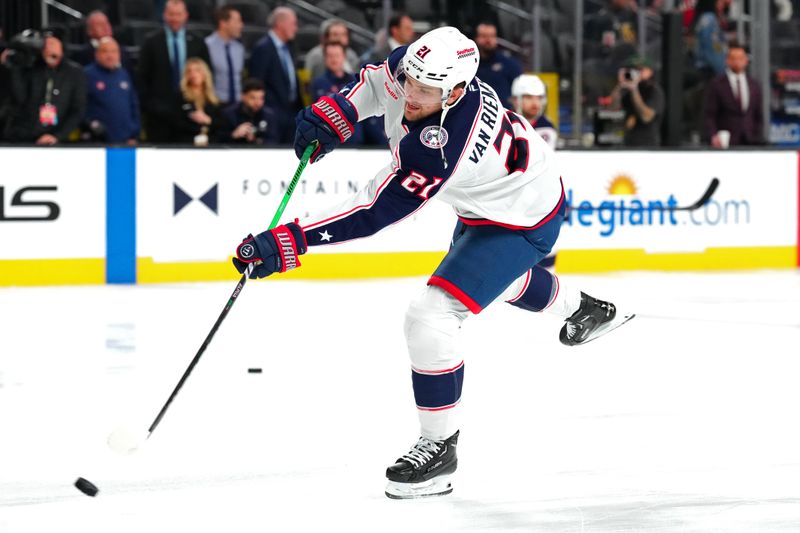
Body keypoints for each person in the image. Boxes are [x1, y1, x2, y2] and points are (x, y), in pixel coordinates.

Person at [230, 27, 633, 499]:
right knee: (492, 280)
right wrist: (340, 110)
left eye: (426, 90)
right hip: (498, 196)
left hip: (523, 215)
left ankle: (440, 449)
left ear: (457, 91)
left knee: (431, 316)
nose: (412, 93)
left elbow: (372, 211)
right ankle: (585, 309)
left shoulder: (439, 148)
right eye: (411, 79)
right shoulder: (426, 67)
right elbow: (381, 81)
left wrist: (290, 240)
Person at [137, 0, 211, 142]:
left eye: (178, 14)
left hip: (191, 115)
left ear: (186, 16)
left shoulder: (198, 41)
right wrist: (152, 107)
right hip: (159, 116)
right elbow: (142, 78)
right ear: (164, 15)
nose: (175, 18)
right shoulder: (151, 41)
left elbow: (207, 75)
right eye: (171, 14)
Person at [3, 33, 86, 144]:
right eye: (45, 44)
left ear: (61, 47)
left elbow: (78, 110)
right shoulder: (30, 67)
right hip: (22, 137)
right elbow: (19, 99)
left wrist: (57, 136)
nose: (48, 47)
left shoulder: (74, 73)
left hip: (55, 139)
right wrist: (14, 67)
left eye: (52, 43)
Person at [249, 6, 300, 144]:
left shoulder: (289, 47)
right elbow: (257, 82)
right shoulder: (263, 48)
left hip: (291, 112)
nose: (296, 28)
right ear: (280, 23)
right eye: (293, 23)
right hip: (272, 113)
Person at [704, 42, 764, 147]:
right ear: (727, 61)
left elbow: (758, 114)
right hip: (726, 142)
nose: (737, 61)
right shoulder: (717, 85)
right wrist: (713, 135)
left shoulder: (754, 85)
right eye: (733, 58)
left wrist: (756, 134)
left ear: (746, 60)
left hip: (750, 141)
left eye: (740, 58)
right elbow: (710, 114)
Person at [83, 37, 140, 144]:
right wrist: (91, 124)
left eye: (114, 51)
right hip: (97, 140)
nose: (110, 56)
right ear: (97, 54)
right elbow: (80, 106)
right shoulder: (87, 75)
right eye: (105, 51)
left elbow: (133, 104)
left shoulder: (124, 74)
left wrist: (134, 132)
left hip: (126, 140)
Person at [607, 55, 664, 146]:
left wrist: (634, 89)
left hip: (647, 145)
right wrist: (620, 85)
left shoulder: (653, 90)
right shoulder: (625, 91)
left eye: (640, 70)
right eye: (632, 70)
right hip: (624, 143)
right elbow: (611, 111)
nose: (636, 74)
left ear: (650, 72)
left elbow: (646, 117)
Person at [165, 58, 222, 144]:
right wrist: (197, 126)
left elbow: (221, 123)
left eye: (197, 70)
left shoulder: (213, 98)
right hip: (186, 144)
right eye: (189, 71)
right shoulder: (180, 97)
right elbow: (175, 122)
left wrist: (208, 120)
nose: (193, 74)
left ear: (204, 73)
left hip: (211, 144)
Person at [474, 22, 522, 107]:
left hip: (503, 113)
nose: (488, 40)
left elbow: (520, 90)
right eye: (484, 36)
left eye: (492, 36)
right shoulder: (469, 65)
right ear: (476, 38)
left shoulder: (509, 63)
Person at [219, 78, 280, 144]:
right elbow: (218, 141)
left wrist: (255, 140)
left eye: (261, 98)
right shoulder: (229, 114)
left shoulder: (269, 116)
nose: (258, 102)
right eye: (253, 98)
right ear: (243, 96)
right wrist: (234, 135)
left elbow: (274, 142)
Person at [205, 6, 244, 106]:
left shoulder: (239, 48)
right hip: (216, 104)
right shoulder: (207, 46)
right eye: (237, 21)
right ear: (223, 23)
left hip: (237, 105)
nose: (241, 25)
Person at [510, 74, 558, 149]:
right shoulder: (504, 122)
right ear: (516, 100)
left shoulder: (545, 126)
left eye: (539, 98)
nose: (535, 103)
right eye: (529, 97)